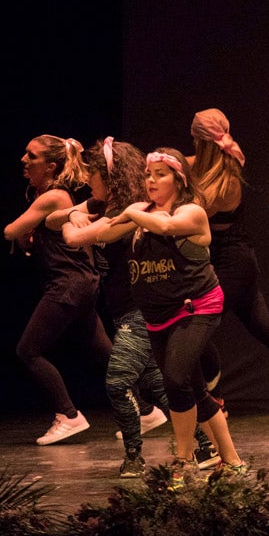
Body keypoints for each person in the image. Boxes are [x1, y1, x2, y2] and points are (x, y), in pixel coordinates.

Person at [46, 138, 218, 477]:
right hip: (130, 310)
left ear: (107, 178)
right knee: (164, 383)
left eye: (91, 175)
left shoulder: (134, 211)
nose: (86, 182)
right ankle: (206, 444)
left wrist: (77, 220)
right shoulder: (107, 207)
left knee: (120, 381)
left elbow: (75, 238)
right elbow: (53, 221)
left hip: (145, 310)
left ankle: (135, 457)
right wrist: (73, 212)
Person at [98, 148, 244, 485]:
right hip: (158, 315)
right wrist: (78, 221)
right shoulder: (141, 212)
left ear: (178, 179)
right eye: (148, 175)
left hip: (196, 308)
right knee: (193, 387)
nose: (150, 180)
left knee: (175, 380)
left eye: (160, 174)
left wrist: (132, 215)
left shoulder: (191, 211)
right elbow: (104, 234)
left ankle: (184, 458)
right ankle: (233, 460)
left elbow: (165, 226)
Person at [188, 109, 269, 416]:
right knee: (263, 326)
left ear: (200, 140)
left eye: (195, 139)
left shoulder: (226, 177)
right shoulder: (193, 165)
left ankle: (216, 399)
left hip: (232, 261)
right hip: (230, 258)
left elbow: (191, 216)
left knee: (197, 325)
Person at [3, 134, 112, 445]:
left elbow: (10, 230)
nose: (24, 160)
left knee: (28, 350)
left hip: (69, 284)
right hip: (81, 283)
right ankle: (147, 409)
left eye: (31, 156)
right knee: (106, 353)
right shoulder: (54, 196)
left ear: (50, 166)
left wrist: (24, 231)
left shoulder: (54, 197)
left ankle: (68, 415)